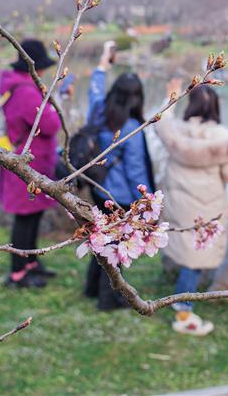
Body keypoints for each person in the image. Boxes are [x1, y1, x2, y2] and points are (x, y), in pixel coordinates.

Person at [152, 82, 228, 335]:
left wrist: (169, 97)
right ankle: (183, 309)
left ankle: (180, 294)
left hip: (179, 203)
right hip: (207, 207)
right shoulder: (222, 138)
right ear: (215, 107)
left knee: (184, 249)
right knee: (196, 258)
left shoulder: (176, 132)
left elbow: (160, 121)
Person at [83, 42, 156, 310]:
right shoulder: (132, 127)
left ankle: (92, 288)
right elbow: (136, 171)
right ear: (138, 98)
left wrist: (103, 64)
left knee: (100, 239)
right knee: (114, 248)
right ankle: (109, 298)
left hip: (98, 187)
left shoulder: (99, 111)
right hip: (121, 197)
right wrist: (146, 201)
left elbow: (94, 90)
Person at [0, 39, 61, 288]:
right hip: (26, 167)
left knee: (33, 217)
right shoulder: (26, 91)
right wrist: (53, 110)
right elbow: (50, 125)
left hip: (32, 164)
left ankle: (31, 263)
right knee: (24, 221)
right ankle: (18, 273)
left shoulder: (20, 87)